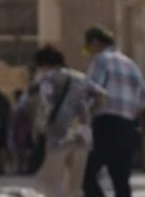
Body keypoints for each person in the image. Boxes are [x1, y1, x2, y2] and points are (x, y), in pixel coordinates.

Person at [81, 26, 145, 197]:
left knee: (86, 176)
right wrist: (129, 111)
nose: (88, 52)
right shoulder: (130, 63)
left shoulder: (100, 60)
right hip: (127, 126)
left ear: (96, 42)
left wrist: (84, 111)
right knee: (121, 181)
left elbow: (92, 89)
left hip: (106, 124)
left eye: (88, 47)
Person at [32, 45, 107, 197]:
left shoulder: (47, 78)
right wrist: (89, 112)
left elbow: (46, 104)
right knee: (74, 186)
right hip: (82, 134)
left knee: (50, 182)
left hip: (58, 133)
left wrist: (39, 126)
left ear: (43, 64)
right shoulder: (80, 77)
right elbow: (102, 95)